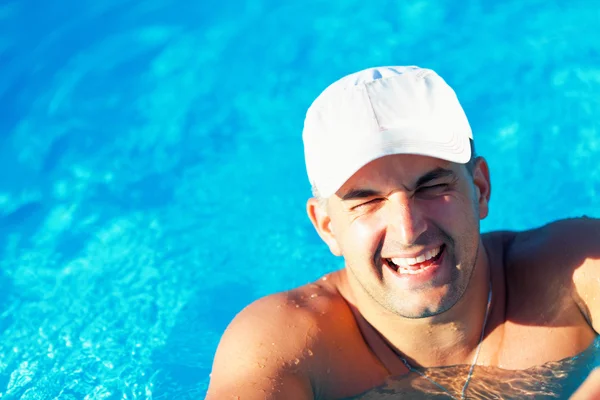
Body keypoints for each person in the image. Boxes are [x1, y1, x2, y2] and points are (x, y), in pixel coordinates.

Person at [206, 66, 600, 399]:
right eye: (367, 200)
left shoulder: (572, 269)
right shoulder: (286, 343)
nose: (408, 229)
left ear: (479, 189)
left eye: (431, 188)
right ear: (327, 226)